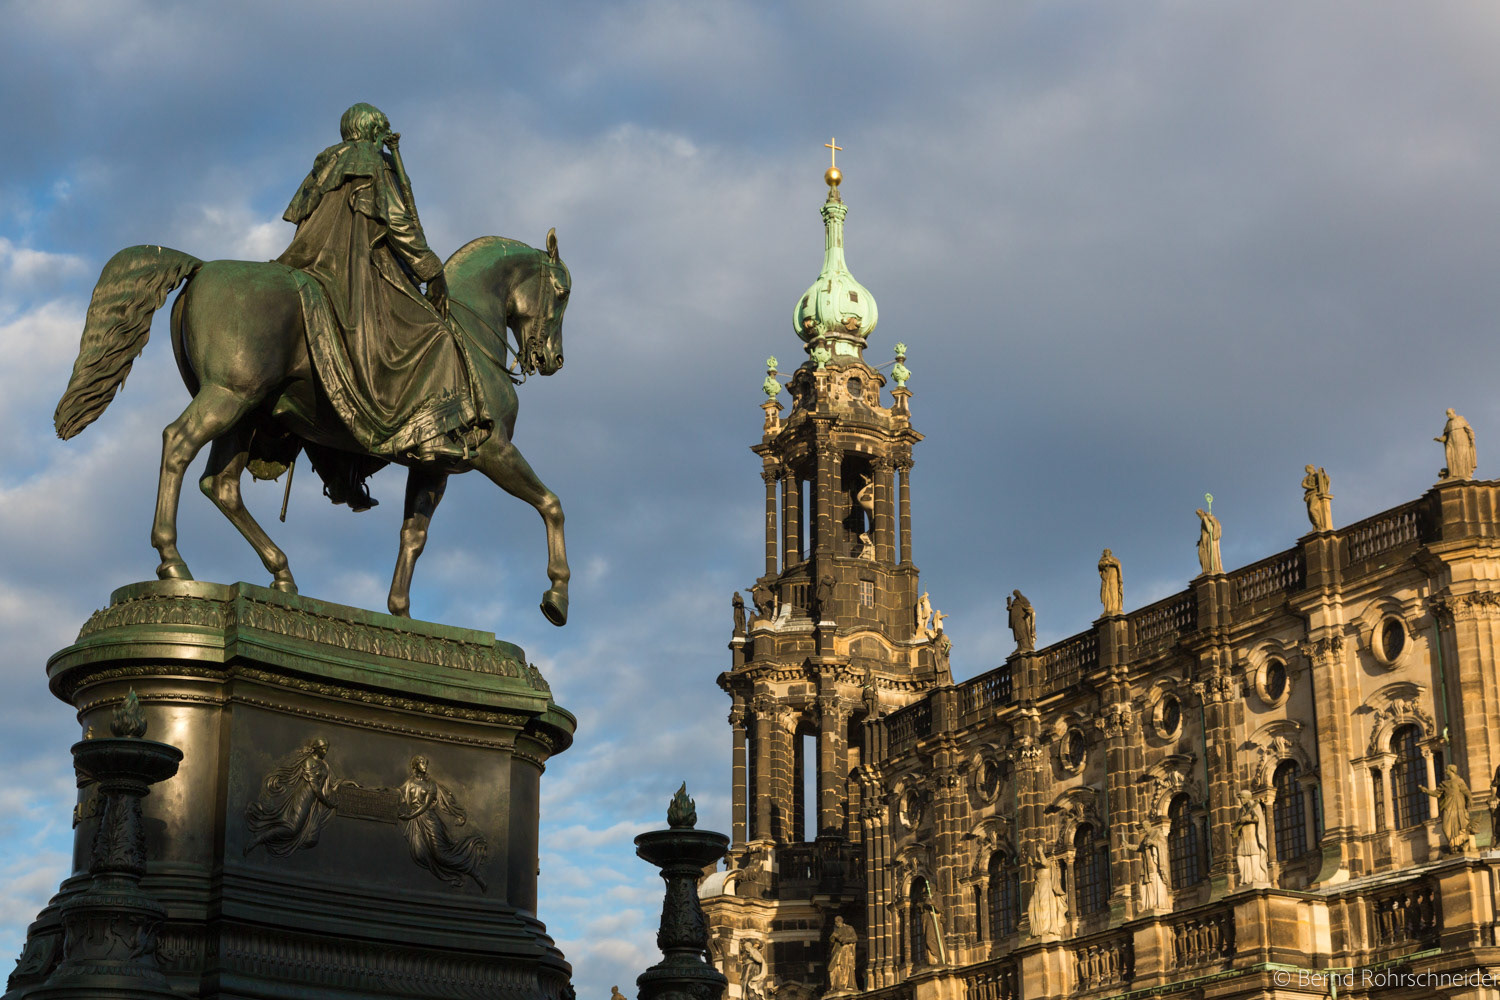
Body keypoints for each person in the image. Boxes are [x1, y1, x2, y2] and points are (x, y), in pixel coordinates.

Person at [279, 102, 489, 507]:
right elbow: (398, 224)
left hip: (311, 267)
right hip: (357, 274)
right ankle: (432, 441)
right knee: (437, 338)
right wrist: (431, 271)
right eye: (384, 129)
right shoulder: (374, 162)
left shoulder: (323, 166)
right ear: (374, 130)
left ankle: (342, 472)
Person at [398, 755, 489, 889]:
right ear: (415, 765)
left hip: (429, 820)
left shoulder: (431, 785)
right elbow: (399, 793)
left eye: (425, 763)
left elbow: (425, 806)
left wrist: (409, 816)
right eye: (421, 762)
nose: (425, 765)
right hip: (416, 822)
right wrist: (383, 792)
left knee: (441, 856)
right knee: (419, 853)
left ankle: (472, 870)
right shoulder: (410, 782)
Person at [244, 737, 346, 856]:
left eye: (326, 749)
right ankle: (258, 839)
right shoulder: (309, 762)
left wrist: (344, 784)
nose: (325, 752)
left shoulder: (324, 766)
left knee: (311, 838)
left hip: (314, 804)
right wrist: (328, 803)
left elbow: (328, 785)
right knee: (292, 828)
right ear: (315, 749)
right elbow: (315, 788)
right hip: (304, 798)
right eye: (323, 749)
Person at [1422, 764, 1476, 853]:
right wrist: (1426, 790)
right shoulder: (1444, 783)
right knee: (1446, 827)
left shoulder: (1459, 781)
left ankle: (1461, 844)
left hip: (1458, 804)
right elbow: (1436, 793)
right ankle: (1453, 844)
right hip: (1448, 805)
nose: (1445, 770)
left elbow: (1466, 791)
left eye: (1446, 769)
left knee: (1460, 824)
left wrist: (1470, 798)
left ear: (1451, 770)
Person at [1233, 791, 1268, 885]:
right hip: (1244, 836)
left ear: (1247, 797)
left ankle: (1255, 877)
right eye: (1240, 798)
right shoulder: (1241, 810)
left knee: (1254, 854)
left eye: (1242, 798)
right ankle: (1244, 878)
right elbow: (1239, 823)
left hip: (1252, 836)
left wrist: (1247, 819)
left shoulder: (1255, 805)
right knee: (1240, 856)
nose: (1241, 800)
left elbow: (1258, 819)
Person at [1435, 408, 1477, 480]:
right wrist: (1440, 439)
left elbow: (1469, 430)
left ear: (1453, 412)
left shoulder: (1461, 419)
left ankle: (1462, 475)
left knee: (1460, 457)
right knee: (1449, 456)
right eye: (1447, 414)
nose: (1448, 415)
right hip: (1451, 442)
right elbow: (1446, 435)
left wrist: (1472, 439)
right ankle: (1452, 474)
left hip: (1461, 441)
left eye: (1449, 413)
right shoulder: (1448, 423)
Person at [827, 915, 858, 992]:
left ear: (840, 921)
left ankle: (844, 984)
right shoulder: (835, 931)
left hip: (845, 950)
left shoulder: (849, 928)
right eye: (835, 922)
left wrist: (844, 940)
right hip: (836, 951)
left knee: (844, 966)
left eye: (836, 921)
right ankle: (835, 985)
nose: (835, 923)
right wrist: (833, 937)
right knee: (833, 968)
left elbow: (855, 938)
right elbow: (831, 943)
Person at [1301, 466, 1333, 532]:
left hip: (1315, 494)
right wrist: (1311, 487)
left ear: (1311, 469)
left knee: (1312, 509)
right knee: (1310, 513)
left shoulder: (1317, 475)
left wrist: (1324, 472)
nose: (1306, 470)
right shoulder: (1306, 477)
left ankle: (1319, 525)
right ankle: (1315, 526)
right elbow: (1303, 484)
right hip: (1308, 495)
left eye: (1307, 469)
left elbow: (1325, 480)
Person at [1196, 508, 1223, 575]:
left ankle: (1207, 569)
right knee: (1203, 554)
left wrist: (1206, 520)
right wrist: (1200, 541)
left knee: (1202, 554)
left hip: (1207, 541)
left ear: (1201, 513)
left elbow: (1209, 529)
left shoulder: (1204, 519)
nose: (1199, 516)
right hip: (1204, 540)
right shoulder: (1204, 519)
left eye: (1199, 514)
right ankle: (1206, 569)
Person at [1098, 549, 1123, 616]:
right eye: (1104, 552)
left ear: (1110, 553)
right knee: (1106, 592)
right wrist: (1106, 564)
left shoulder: (1115, 559)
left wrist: (1111, 563)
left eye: (1107, 552)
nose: (1106, 553)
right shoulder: (1102, 560)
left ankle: (1114, 608)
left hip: (1113, 578)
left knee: (1113, 592)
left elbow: (1117, 565)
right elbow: (1100, 565)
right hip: (1106, 579)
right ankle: (1107, 609)